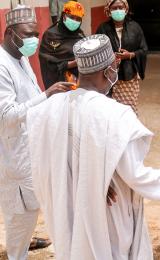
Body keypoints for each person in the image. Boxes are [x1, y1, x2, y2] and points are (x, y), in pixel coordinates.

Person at [26, 34, 160, 260]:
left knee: (73, 246)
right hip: (105, 210)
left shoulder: (50, 106)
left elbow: (43, 150)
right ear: (107, 71)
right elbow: (134, 175)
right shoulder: (116, 115)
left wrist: (83, 179)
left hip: (65, 198)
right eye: (114, 66)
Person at [0, 5, 71, 260]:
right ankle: (18, 253)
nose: (33, 39)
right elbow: (6, 115)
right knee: (20, 212)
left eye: (35, 33)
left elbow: (30, 98)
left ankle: (24, 240)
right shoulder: (2, 65)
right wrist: (47, 95)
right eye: (27, 34)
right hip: (15, 157)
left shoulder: (20, 58)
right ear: (10, 33)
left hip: (30, 149)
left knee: (30, 207)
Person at [96, 0, 148, 115]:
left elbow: (143, 50)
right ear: (109, 10)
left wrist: (130, 55)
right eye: (114, 8)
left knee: (128, 111)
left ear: (126, 9)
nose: (118, 10)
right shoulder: (103, 28)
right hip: (108, 77)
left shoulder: (135, 27)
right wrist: (110, 57)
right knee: (111, 112)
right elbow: (97, 51)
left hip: (129, 77)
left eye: (120, 7)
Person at [39, 1, 85, 90]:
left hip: (80, 85)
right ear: (64, 16)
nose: (75, 21)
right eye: (72, 17)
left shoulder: (80, 35)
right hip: (60, 86)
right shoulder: (51, 35)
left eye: (78, 19)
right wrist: (71, 64)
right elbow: (47, 63)